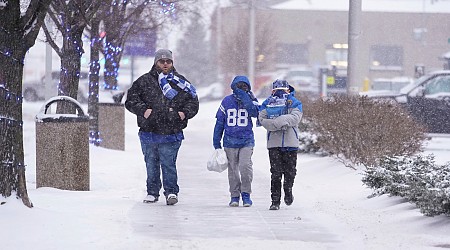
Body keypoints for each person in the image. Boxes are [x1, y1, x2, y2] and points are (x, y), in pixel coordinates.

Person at [125, 49, 199, 205]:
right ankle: (152, 192)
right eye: (162, 61)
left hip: (172, 132)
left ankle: (171, 192)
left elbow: (193, 102)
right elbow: (130, 100)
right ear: (156, 62)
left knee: (168, 164)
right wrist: (143, 110)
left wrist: (183, 113)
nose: (165, 64)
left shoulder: (181, 82)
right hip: (148, 131)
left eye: (168, 61)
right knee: (151, 164)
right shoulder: (143, 81)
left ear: (172, 63)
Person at [213, 76, 259, 207]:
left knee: (245, 167)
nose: (241, 89)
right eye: (238, 86)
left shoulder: (251, 99)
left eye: (244, 86)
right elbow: (220, 122)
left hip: (246, 140)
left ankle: (246, 194)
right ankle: (234, 195)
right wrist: (216, 141)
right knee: (232, 170)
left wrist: (245, 97)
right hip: (229, 141)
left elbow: (255, 113)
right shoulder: (227, 101)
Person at [258, 79, 303, 210]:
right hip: (274, 143)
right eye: (276, 90)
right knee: (275, 173)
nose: (278, 93)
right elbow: (262, 118)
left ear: (288, 90)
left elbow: (295, 118)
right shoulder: (267, 103)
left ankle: (288, 190)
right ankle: (275, 201)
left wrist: (280, 120)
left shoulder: (294, 102)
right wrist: (274, 125)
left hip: (290, 143)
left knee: (290, 172)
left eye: (282, 90)